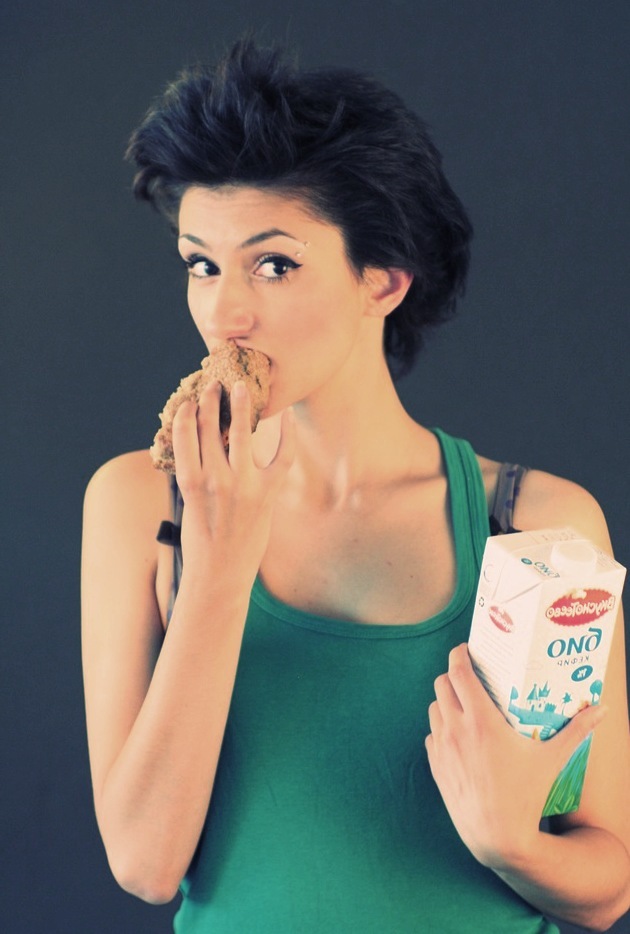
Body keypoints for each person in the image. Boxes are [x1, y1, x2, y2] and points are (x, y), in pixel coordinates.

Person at [81, 39, 630, 933]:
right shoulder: (146, 505)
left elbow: (609, 885)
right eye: (201, 263)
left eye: (275, 264)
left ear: (384, 280)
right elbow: (145, 866)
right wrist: (219, 570)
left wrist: (513, 843)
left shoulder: (532, 527)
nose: (224, 312)